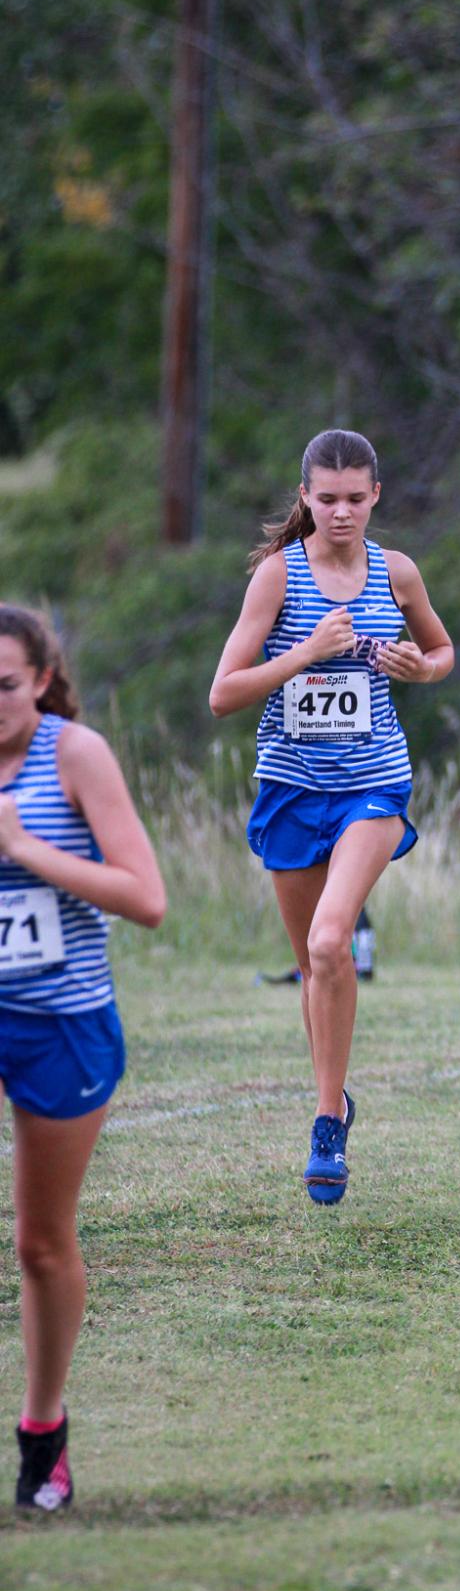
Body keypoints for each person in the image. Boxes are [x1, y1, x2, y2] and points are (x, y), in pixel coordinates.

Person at [209, 429, 453, 1202]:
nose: (341, 511)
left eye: (356, 498)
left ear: (376, 495)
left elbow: (443, 651)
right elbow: (225, 691)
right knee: (318, 969)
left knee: (328, 940)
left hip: (372, 786)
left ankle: (324, 1124)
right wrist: (305, 652)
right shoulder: (278, 578)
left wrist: (422, 665)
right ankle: (338, 1095)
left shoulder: (396, 571)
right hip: (289, 787)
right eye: (327, 498)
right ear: (305, 495)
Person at [0, 605, 166, 1513]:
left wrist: (25, 849)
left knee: (41, 1241)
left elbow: (146, 898)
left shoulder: (74, 756)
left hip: (59, 1019)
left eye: (6, 685)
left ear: (40, 681)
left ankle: (42, 1426)